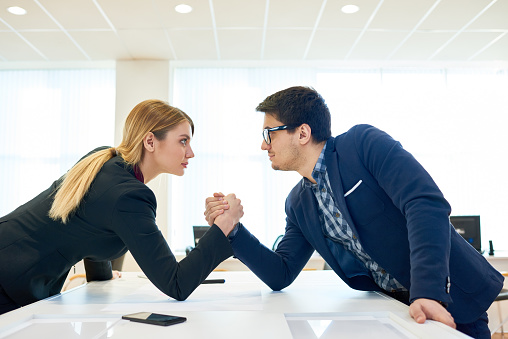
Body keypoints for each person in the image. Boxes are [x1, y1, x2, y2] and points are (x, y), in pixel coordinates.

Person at [205, 86, 503, 339]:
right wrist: (232, 229)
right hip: (392, 310)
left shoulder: (362, 145)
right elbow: (280, 273)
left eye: (269, 133)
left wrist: (428, 291)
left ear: (303, 132)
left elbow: (425, 203)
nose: (262, 144)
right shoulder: (297, 202)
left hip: (448, 295)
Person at [0, 99, 242, 315]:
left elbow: (89, 225)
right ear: (150, 141)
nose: (191, 152)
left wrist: (102, 278)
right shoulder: (129, 195)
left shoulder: (108, 165)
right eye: (183, 141)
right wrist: (224, 225)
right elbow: (176, 283)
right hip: (9, 272)